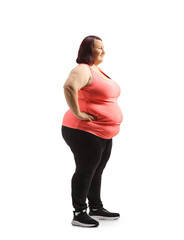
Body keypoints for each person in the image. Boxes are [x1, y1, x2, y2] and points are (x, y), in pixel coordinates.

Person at [62, 35, 123, 227]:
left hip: (103, 132)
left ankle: (95, 207)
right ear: (88, 50)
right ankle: (79, 213)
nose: (103, 51)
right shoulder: (82, 69)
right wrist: (78, 113)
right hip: (84, 131)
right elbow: (69, 86)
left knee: (97, 171)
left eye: (104, 47)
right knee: (86, 171)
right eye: (99, 48)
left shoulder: (97, 70)